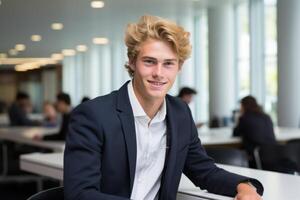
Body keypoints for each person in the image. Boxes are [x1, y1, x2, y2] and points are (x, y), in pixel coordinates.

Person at [64, 15, 263, 200]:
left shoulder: (179, 113)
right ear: (132, 62)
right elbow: (80, 194)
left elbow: (203, 170)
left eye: (168, 63)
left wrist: (243, 186)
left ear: (179, 66)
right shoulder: (93, 115)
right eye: (149, 62)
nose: (159, 73)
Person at [233, 95, 276, 167]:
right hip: (273, 154)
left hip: (255, 157)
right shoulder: (266, 117)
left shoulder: (244, 118)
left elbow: (235, 133)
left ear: (244, 106)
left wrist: (239, 119)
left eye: (241, 105)